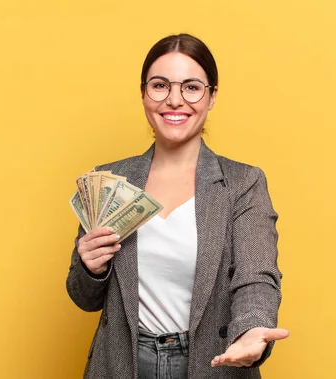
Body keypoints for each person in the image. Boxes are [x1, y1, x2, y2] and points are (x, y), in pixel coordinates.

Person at [66, 33, 289, 379]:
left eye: (191, 87)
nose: (174, 100)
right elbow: (84, 298)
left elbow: (256, 275)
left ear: (212, 96)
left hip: (211, 363)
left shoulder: (243, 183)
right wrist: (90, 266)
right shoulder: (111, 181)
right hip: (122, 363)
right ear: (143, 93)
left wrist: (252, 328)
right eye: (160, 86)